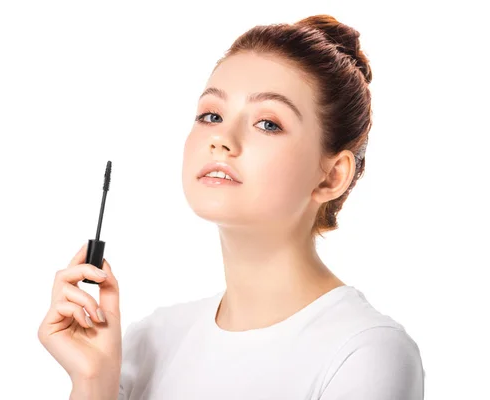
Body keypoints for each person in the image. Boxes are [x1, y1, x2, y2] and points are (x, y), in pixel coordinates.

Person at [38, 14, 425, 400]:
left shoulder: (365, 354)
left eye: (268, 123)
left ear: (331, 176)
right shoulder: (148, 342)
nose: (222, 138)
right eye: (212, 115)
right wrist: (92, 382)